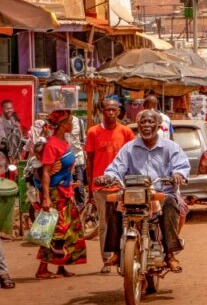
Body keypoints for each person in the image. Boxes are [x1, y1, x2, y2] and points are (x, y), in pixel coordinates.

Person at [96, 110, 190, 273]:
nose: (146, 126)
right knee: (112, 202)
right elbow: (116, 168)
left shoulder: (171, 147)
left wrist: (178, 175)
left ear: (158, 126)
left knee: (169, 204)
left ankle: (170, 254)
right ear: (138, 126)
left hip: (161, 192)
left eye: (150, 122)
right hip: (134, 194)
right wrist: (107, 177)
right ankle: (116, 251)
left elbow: (181, 166)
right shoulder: (129, 148)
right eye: (143, 123)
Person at [34, 110, 87, 279]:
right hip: (55, 194)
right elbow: (46, 173)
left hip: (66, 192)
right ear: (63, 125)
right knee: (55, 231)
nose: (73, 125)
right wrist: (47, 198)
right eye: (71, 122)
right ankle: (42, 269)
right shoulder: (52, 145)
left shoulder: (64, 142)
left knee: (70, 231)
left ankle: (61, 267)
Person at [84, 99, 135, 273]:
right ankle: (107, 260)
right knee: (104, 225)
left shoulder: (126, 132)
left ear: (119, 111)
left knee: (125, 222)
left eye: (114, 110)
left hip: (122, 187)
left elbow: (133, 159)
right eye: (108, 110)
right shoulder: (93, 132)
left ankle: (125, 255)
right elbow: (89, 161)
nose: (111, 113)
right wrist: (90, 185)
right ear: (102, 111)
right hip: (101, 188)